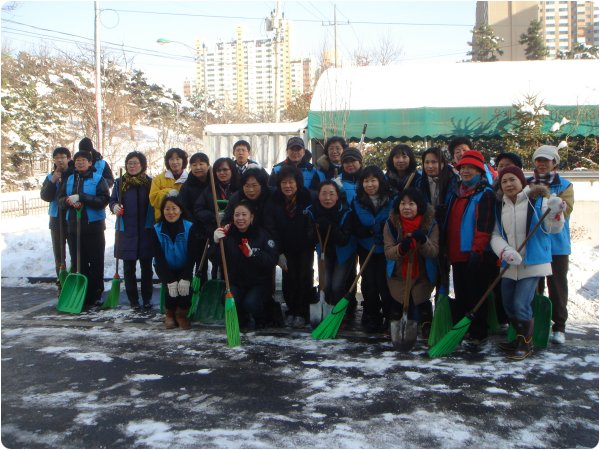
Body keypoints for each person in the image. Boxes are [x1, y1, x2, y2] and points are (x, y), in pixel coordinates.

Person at [491, 166, 565, 360]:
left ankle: (526, 343)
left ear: (521, 181)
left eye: (512, 179)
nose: (508, 184)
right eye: (504, 181)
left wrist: (556, 213)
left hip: (532, 262)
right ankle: (519, 337)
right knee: (507, 303)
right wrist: (505, 252)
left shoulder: (537, 202)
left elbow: (552, 228)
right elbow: (496, 234)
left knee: (521, 302)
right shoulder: (500, 205)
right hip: (509, 263)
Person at [445, 149, 497, 351]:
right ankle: (465, 329)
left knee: (476, 295)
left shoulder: (485, 193)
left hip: (474, 253)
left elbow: (484, 225)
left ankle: (478, 332)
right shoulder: (457, 192)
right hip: (456, 252)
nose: (465, 171)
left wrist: (478, 249)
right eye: (463, 168)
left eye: (470, 168)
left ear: (479, 170)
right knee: (462, 294)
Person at [528, 145, 574, 345]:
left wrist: (557, 205)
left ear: (554, 162)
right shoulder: (527, 184)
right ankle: (536, 323)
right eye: (538, 160)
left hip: (557, 245)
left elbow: (566, 210)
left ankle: (559, 326)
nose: (542, 164)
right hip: (534, 242)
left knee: (556, 286)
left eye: (546, 160)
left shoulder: (564, 185)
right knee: (533, 286)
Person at [213, 200, 279, 330]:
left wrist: (253, 255)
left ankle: (262, 319)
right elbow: (215, 258)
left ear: (251, 216)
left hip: (258, 284)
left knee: (251, 303)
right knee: (228, 299)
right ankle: (242, 319)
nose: (240, 218)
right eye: (237, 215)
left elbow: (272, 260)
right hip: (236, 282)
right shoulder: (228, 235)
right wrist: (216, 242)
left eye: (244, 214)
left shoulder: (262, 235)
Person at [264, 165, 315, 328]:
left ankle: (302, 312)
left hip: (305, 246)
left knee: (304, 276)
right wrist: (278, 252)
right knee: (289, 278)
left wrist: (311, 239)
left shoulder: (308, 197)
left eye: (291, 182)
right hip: (284, 247)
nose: (288, 186)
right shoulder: (274, 201)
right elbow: (271, 227)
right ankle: (292, 310)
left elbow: (314, 222)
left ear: (298, 183)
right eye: (284, 182)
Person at [58, 150, 110, 309]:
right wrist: (68, 201)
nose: (80, 163)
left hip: (94, 226)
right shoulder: (69, 179)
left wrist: (82, 197)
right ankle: (82, 293)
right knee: (78, 262)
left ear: (90, 163)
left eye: (84, 160)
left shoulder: (98, 179)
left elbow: (103, 200)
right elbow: (60, 200)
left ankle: (96, 293)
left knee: (96, 262)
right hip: (74, 227)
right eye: (78, 160)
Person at [383, 188, 439, 334]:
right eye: (403, 204)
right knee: (398, 300)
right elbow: (388, 251)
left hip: (422, 271)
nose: (406, 207)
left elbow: (434, 251)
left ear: (419, 206)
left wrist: (423, 241)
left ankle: (426, 322)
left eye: (411, 204)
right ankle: (394, 322)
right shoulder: (391, 224)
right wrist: (401, 248)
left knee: (420, 300)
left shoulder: (430, 224)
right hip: (398, 272)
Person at [417, 146, 459, 336]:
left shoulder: (453, 181)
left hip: (448, 234)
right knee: (426, 274)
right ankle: (426, 318)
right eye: (427, 162)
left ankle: (443, 313)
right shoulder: (419, 182)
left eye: (434, 162)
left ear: (443, 163)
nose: (430, 166)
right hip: (426, 234)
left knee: (444, 274)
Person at [351, 166, 396, 333]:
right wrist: (369, 231)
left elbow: (397, 222)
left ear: (380, 181)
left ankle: (389, 315)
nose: (370, 184)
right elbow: (354, 226)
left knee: (385, 283)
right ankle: (372, 314)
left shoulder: (391, 200)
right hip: (366, 247)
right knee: (369, 283)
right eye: (366, 181)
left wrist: (384, 228)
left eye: (373, 180)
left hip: (386, 248)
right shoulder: (357, 201)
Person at [109, 151, 155, 310]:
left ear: (142, 165)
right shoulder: (119, 183)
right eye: (129, 163)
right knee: (128, 268)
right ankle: (133, 300)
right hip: (126, 231)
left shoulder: (150, 183)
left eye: (136, 163)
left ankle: (147, 298)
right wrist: (114, 207)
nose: (132, 166)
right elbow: (112, 200)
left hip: (145, 231)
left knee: (146, 268)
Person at [304, 180, 354, 310]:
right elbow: (309, 238)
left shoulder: (346, 211)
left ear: (337, 196)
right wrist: (317, 228)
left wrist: (331, 226)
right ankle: (326, 310)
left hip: (343, 252)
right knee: (325, 284)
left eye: (331, 194)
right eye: (324, 193)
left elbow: (344, 239)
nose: (327, 198)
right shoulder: (312, 211)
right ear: (318, 195)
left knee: (337, 285)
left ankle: (338, 313)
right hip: (324, 251)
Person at [153, 195, 199, 329]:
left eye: (174, 208)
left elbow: (192, 254)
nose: (171, 212)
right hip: (164, 267)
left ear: (180, 210)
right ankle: (169, 313)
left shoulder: (189, 227)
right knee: (171, 288)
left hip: (184, 266)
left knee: (184, 289)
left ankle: (181, 314)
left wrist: (186, 276)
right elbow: (158, 257)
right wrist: (169, 279)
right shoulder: (156, 229)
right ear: (162, 211)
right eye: (167, 209)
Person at [194, 157, 240, 279]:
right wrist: (214, 216)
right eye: (218, 170)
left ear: (232, 171)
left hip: (235, 232)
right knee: (216, 261)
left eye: (225, 170)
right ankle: (216, 284)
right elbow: (199, 209)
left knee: (234, 263)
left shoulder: (239, 189)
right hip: (215, 232)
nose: (222, 173)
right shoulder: (210, 190)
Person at [40, 146, 74, 291]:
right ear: (53, 160)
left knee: (75, 252)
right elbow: (45, 196)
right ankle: (61, 283)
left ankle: (73, 282)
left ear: (68, 158)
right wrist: (53, 180)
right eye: (57, 157)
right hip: (56, 218)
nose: (60, 160)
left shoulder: (74, 175)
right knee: (59, 255)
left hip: (71, 217)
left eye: (63, 157)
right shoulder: (50, 177)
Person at [178, 152, 211, 282]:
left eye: (201, 164)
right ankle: (194, 286)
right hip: (194, 228)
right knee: (197, 259)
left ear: (208, 165)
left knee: (214, 258)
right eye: (194, 164)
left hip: (212, 225)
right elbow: (183, 208)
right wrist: (195, 226)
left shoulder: (213, 182)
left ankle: (210, 285)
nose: (198, 167)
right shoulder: (187, 186)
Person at [149, 147, 189, 221]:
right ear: (167, 161)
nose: (174, 162)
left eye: (178, 159)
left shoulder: (189, 179)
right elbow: (153, 199)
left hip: (184, 220)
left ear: (183, 161)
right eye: (171, 159)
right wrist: (168, 192)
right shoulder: (158, 179)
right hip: (162, 219)